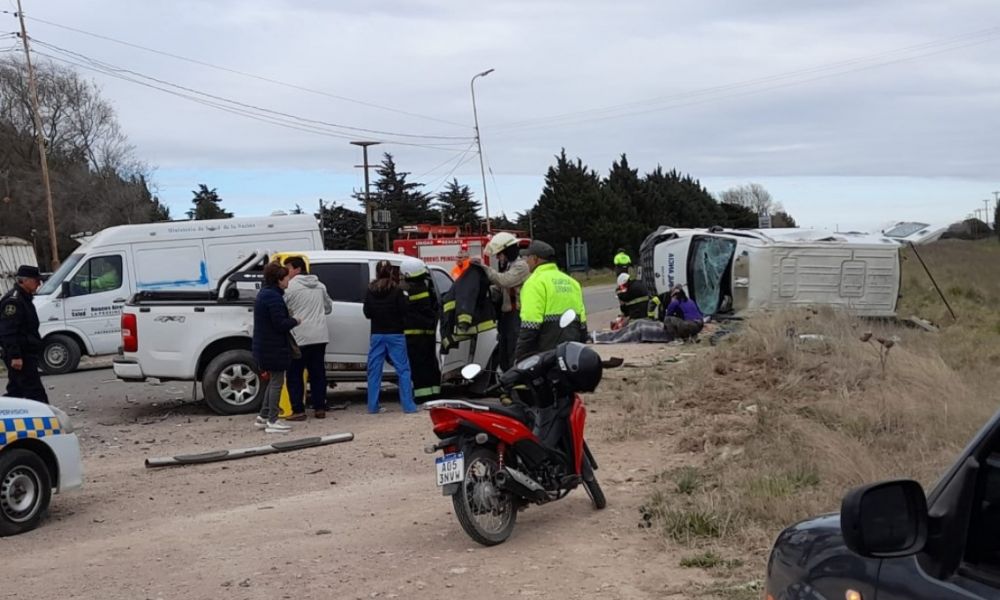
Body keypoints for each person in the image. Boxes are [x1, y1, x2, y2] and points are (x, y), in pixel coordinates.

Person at [515, 240, 588, 361]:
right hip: (571, 352)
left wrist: (520, 357)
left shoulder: (534, 283)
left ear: (535, 259)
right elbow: (583, 323)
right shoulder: (572, 282)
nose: (526, 261)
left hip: (546, 353)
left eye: (527, 257)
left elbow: (530, 324)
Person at [363, 260, 418, 414]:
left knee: (374, 371)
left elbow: (367, 313)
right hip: (396, 334)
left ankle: (372, 406)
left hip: (377, 334)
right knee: (403, 370)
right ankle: (408, 406)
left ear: (377, 272)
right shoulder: (397, 290)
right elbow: (404, 310)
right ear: (391, 272)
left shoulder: (370, 290)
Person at [282, 256, 333, 421]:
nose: (286, 273)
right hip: (320, 336)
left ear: (297, 269)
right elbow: (328, 308)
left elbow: (282, 308)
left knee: (295, 374)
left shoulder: (290, 287)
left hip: (299, 336)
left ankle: (298, 410)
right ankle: (320, 408)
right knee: (318, 373)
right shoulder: (320, 285)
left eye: (288, 268)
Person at [252, 262, 300, 434]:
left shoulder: (265, 294)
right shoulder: (273, 297)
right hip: (273, 347)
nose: (288, 281)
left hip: (265, 346)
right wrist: (295, 321)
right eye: (286, 278)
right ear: (279, 280)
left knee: (272, 381)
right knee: (277, 383)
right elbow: (279, 324)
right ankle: (273, 420)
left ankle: (263, 417)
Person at [482, 232, 531, 371]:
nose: (498, 257)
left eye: (500, 254)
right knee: (504, 351)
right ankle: (507, 377)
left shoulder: (521, 266)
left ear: (508, 251)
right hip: (507, 317)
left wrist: (485, 268)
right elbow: (500, 289)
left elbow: (505, 281)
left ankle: (515, 379)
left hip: (517, 316)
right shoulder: (509, 267)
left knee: (513, 351)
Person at [0, 265, 47, 403]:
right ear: (25, 281)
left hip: (26, 353)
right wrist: (16, 356)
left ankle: (5, 414)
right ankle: (45, 416)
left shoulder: (25, 298)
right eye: (36, 281)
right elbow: (8, 331)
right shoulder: (13, 301)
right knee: (36, 393)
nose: (39, 284)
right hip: (21, 355)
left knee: (16, 392)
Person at [400, 258, 441, 400]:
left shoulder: (414, 291)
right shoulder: (426, 287)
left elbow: (408, 309)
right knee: (431, 364)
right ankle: (434, 392)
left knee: (418, 366)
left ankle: (422, 395)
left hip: (415, 336)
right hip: (428, 334)